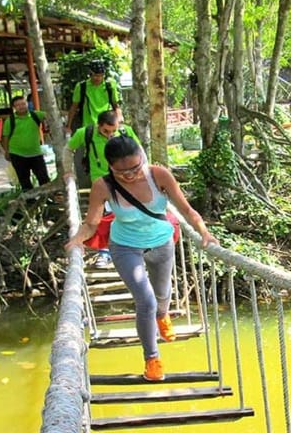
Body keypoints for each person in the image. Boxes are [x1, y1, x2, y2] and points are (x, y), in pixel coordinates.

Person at [65, 135, 217, 382]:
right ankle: (152, 359)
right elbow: (92, 223)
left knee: (162, 294)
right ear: (110, 167)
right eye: (121, 171)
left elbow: (187, 210)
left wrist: (204, 232)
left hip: (161, 242)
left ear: (143, 158)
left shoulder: (159, 175)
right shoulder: (102, 186)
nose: (130, 175)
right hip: (125, 246)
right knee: (145, 301)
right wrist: (77, 240)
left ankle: (163, 315)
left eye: (135, 168)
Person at [68, 110, 141, 269]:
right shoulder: (85, 133)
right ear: (98, 126)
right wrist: (68, 170)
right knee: (105, 217)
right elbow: (68, 149)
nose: (109, 135)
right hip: (101, 183)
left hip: (124, 180)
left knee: (127, 215)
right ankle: (105, 252)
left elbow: (139, 151)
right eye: (105, 131)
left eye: (113, 131)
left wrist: (142, 173)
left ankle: (130, 249)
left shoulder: (125, 131)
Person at [2, 95, 50, 191]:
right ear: (14, 107)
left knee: (43, 178)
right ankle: (30, 202)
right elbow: (5, 137)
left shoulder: (35, 115)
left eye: (23, 104)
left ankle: (48, 199)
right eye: (18, 105)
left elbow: (50, 115)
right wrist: (6, 151)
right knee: (25, 181)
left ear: (27, 104)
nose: (21, 106)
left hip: (35, 153)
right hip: (17, 154)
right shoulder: (10, 120)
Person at [65, 60, 122, 135]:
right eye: (95, 75)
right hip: (89, 127)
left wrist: (119, 119)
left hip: (107, 126)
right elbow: (74, 107)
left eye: (101, 75)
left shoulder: (110, 85)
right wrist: (68, 126)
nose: (98, 78)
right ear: (90, 74)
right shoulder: (82, 87)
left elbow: (116, 105)